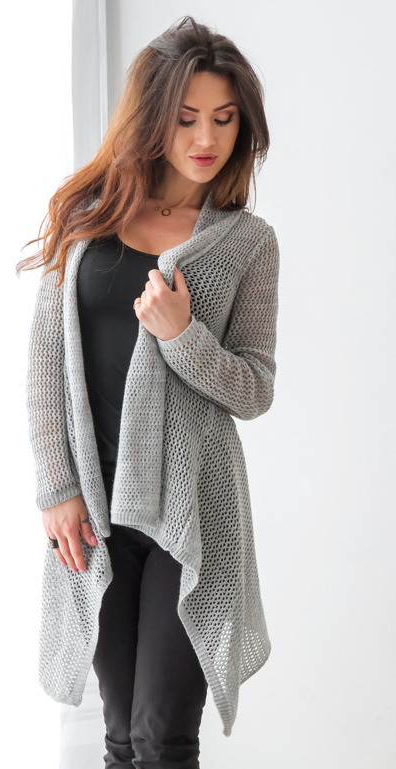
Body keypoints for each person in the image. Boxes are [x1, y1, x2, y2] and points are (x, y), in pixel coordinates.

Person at [18, 14, 280, 767]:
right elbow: (43, 365)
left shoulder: (246, 241)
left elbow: (254, 388)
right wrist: (56, 488)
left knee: (160, 736)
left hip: (191, 512)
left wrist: (181, 334)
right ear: (152, 117)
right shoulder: (86, 217)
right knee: (118, 734)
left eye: (224, 119)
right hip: (94, 506)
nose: (206, 137)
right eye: (187, 117)